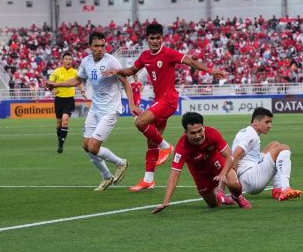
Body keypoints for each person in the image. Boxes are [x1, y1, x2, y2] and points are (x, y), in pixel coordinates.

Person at [103, 23, 226, 193]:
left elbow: (190, 61)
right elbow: (131, 70)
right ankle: (148, 180)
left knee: (140, 122)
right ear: (147, 39)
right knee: (151, 141)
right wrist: (116, 71)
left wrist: (210, 70)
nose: (155, 41)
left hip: (168, 99)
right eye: (152, 38)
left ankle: (167, 147)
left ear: (162, 38)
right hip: (159, 100)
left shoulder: (168, 53)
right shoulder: (145, 56)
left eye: (158, 38)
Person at [46, 32, 135, 191]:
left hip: (110, 110)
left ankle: (121, 163)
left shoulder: (111, 61)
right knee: (86, 146)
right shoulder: (86, 62)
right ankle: (106, 176)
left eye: (102, 46)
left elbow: (126, 83)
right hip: (95, 109)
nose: (100, 49)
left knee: (94, 147)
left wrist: (132, 104)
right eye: (96, 46)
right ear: (90, 47)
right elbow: (77, 80)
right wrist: (56, 85)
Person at [152, 112, 251, 213]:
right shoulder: (181, 148)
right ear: (185, 133)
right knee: (213, 204)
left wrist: (223, 174)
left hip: (217, 164)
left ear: (203, 127)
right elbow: (174, 175)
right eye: (193, 133)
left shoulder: (212, 133)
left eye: (200, 131)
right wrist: (166, 201)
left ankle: (237, 196)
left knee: (234, 184)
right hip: (200, 175)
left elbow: (229, 157)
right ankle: (221, 198)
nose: (198, 136)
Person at [228, 107, 303, 201]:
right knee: (283, 148)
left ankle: (277, 189)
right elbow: (234, 157)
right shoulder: (251, 136)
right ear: (255, 122)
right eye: (267, 122)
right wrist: (235, 187)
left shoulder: (246, 131)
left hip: (247, 175)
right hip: (250, 179)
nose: (270, 125)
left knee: (274, 144)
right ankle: (285, 188)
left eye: (270, 122)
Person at [48, 52, 87, 153]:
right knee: (58, 123)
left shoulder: (75, 72)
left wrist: (82, 91)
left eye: (70, 59)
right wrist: (52, 90)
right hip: (59, 100)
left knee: (65, 120)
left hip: (69, 99)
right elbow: (50, 83)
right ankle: (59, 140)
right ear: (62, 60)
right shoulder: (56, 71)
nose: (68, 61)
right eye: (66, 59)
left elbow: (78, 83)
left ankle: (61, 144)